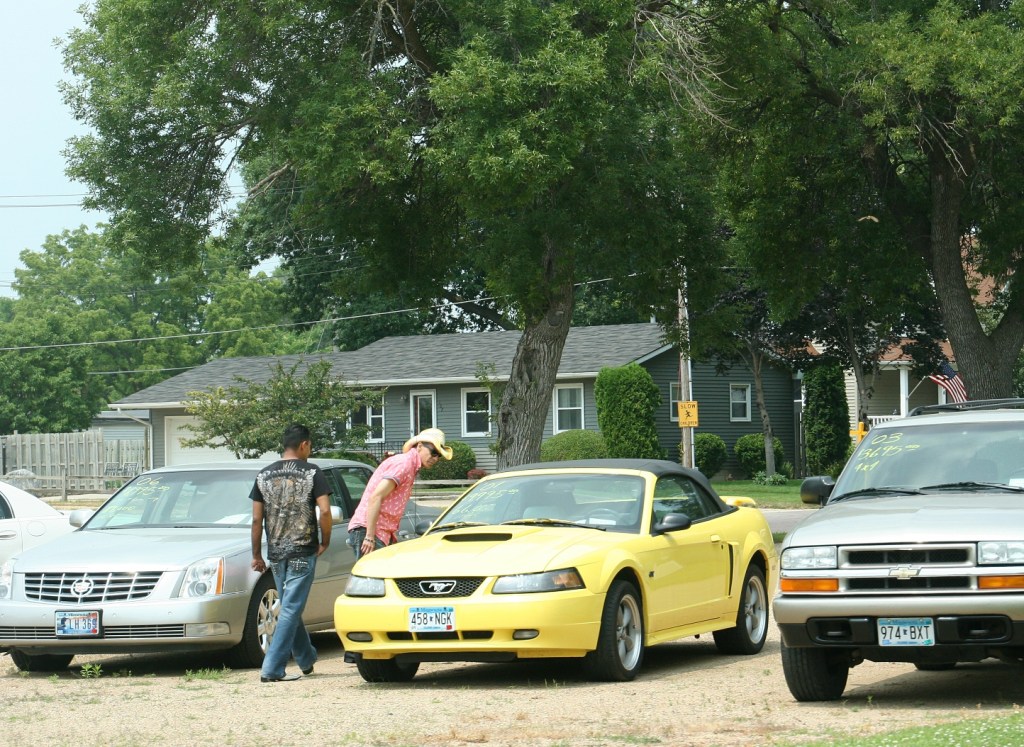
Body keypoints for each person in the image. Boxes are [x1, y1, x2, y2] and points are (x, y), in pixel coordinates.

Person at [250, 423, 332, 683]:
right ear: (304, 444)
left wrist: (256, 555)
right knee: (291, 609)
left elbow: (255, 520)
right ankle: (272, 669)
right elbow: (326, 511)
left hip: (275, 553)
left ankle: (306, 658)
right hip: (302, 549)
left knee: (289, 608)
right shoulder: (312, 472)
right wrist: (325, 540)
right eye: (311, 446)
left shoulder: (263, 475)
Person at [347, 427, 452, 559]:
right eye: (434, 452)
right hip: (370, 530)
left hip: (380, 532)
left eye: (439, 455)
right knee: (373, 578)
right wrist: (369, 536)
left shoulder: (409, 465)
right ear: (419, 446)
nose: (435, 458)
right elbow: (376, 497)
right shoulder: (404, 464)